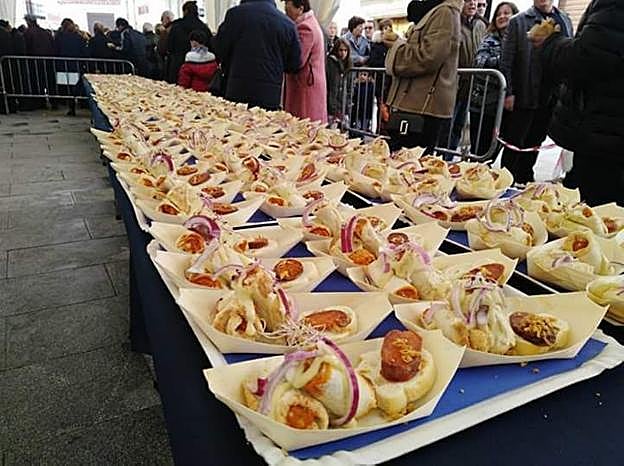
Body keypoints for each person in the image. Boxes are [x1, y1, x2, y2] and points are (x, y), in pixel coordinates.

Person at [536, 0, 623, 205]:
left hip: (605, 136)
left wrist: (549, 42)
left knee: (595, 214)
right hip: (607, 132)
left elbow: (588, 58)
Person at [499, 0, 572, 185]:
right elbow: (506, 60)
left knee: (536, 140)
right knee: (516, 139)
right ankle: (507, 179)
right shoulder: (519, 21)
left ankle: (525, 177)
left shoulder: (564, 19)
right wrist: (508, 92)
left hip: (552, 94)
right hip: (525, 91)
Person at [385, 0, 462, 153]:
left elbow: (428, 57)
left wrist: (397, 47)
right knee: (403, 158)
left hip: (424, 105)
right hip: (418, 102)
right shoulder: (436, 10)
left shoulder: (444, 12)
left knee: (410, 160)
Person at [214, 0, 301, 110]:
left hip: (237, 89)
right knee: (265, 121)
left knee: (236, 120)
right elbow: (294, 65)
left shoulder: (235, 14)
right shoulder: (287, 24)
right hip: (270, 95)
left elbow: (219, 48)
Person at [469, 2, 518, 157]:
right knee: (480, 150)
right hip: (484, 104)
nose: (502, 17)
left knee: (496, 148)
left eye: (506, 13)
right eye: (498, 14)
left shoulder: (522, 40)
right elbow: (479, 63)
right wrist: (506, 58)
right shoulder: (489, 39)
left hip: (506, 105)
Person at [443, 0, 487, 151]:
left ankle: (449, 156)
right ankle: (441, 156)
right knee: (447, 126)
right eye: (468, 0)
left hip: (472, 86)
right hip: (454, 84)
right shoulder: (453, 22)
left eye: (475, 1)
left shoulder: (481, 25)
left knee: (458, 126)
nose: (472, 4)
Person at [283, 0, 327, 123]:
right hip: (309, 84)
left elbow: (298, 59)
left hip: (305, 87)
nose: (285, 11)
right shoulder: (311, 23)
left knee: (303, 126)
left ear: (300, 9)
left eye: (288, 7)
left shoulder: (305, 28)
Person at [165, 1, 213, 84]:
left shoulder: (176, 27)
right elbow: (210, 47)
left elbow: (169, 47)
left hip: (179, 67)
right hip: (201, 68)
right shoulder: (204, 28)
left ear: (185, 11)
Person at [326, 38, 352, 126]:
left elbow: (350, 86)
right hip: (332, 103)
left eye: (345, 50)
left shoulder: (349, 64)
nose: (343, 53)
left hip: (344, 104)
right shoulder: (330, 62)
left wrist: (348, 101)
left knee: (344, 129)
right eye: (341, 50)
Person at [158, 10, 175, 80]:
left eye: (162, 18)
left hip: (170, 62)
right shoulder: (179, 27)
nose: (161, 21)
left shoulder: (166, 31)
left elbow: (161, 49)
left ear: (167, 18)